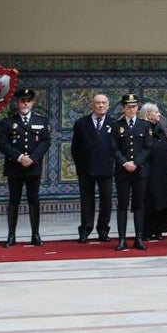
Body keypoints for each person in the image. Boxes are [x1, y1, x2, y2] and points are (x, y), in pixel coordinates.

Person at [0, 86, 51, 247]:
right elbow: (3, 145)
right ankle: (11, 235)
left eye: (28, 101)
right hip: (15, 167)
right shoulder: (8, 122)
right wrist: (20, 157)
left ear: (32, 103)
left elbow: (45, 142)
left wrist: (32, 158)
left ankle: (35, 234)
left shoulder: (41, 121)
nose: (25, 104)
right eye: (22, 101)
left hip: (33, 167)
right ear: (17, 103)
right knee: (14, 200)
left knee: (34, 200)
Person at [111, 93, 155, 250]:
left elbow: (148, 147)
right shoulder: (116, 126)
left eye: (134, 107)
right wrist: (125, 162)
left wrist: (136, 162)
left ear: (138, 108)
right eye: (128, 107)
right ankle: (122, 239)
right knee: (122, 205)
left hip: (140, 170)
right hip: (123, 171)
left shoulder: (145, 125)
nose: (131, 109)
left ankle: (139, 238)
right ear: (123, 108)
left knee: (139, 205)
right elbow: (114, 148)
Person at [70, 92, 114, 243]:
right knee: (87, 200)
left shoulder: (113, 124)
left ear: (108, 106)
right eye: (98, 103)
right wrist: (80, 166)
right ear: (92, 105)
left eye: (103, 103)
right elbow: (75, 148)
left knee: (106, 201)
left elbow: (116, 148)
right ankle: (85, 230)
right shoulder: (81, 123)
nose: (100, 105)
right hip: (86, 169)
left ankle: (103, 230)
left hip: (106, 168)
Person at [142, 102, 167, 241]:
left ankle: (159, 229)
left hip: (164, 172)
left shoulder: (161, 130)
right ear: (148, 114)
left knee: (162, 201)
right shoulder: (144, 129)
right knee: (150, 201)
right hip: (150, 172)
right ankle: (147, 230)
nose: (159, 114)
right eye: (156, 112)